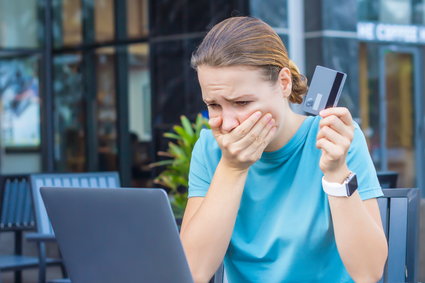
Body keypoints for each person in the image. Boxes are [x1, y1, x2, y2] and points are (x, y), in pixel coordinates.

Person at [180, 17, 388, 283]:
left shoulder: (334, 139)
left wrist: (336, 173)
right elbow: (192, 272)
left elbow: (369, 272)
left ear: (284, 83)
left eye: (242, 102)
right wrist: (232, 169)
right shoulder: (210, 149)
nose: (229, 123)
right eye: (214, 105)